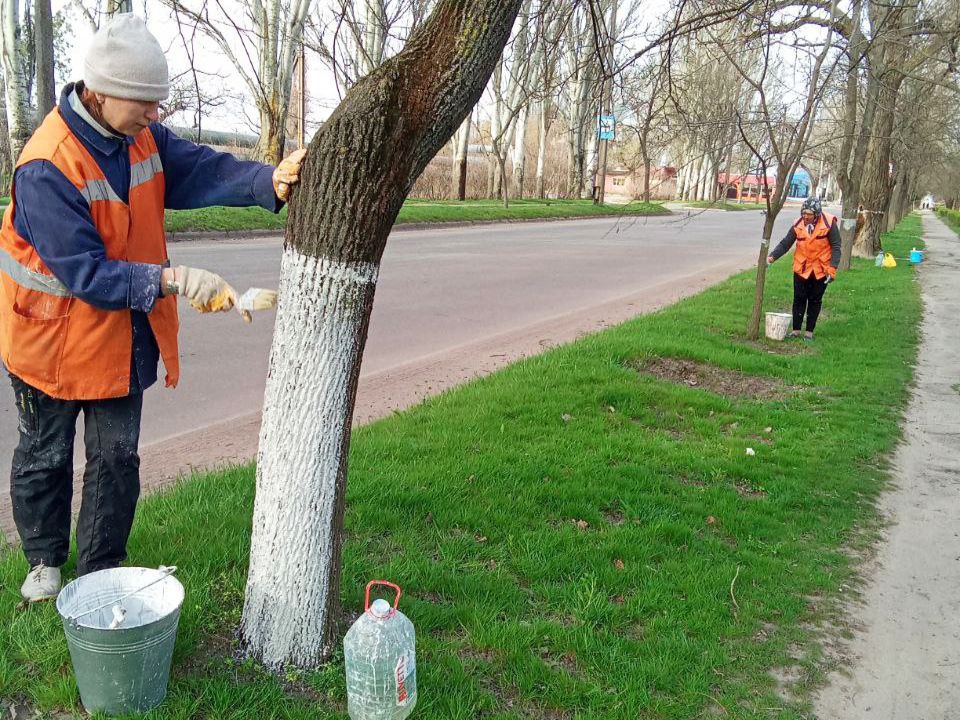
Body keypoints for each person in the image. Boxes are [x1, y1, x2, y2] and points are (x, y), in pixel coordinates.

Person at [0, 14, 306, 601]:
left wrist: (268, 181)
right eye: (146, 102)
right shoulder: (46, 165)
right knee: (45, 456)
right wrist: (174, 279)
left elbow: (198, 168)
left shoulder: (140, 136)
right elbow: (85, 272)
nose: (155, 115)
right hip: (45, 342)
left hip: (116, 337)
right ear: (103, 91)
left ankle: (101, 573)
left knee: (117, 460)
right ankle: (44, 564)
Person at [767, 197, 840, 341]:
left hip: (820, 269)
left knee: (815, 300)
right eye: (804, 213)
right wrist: (772, 257)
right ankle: (795, 331)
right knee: (799, 299)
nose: (806, 216)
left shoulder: (829, 223)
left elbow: (836, 246)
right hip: (802, 268)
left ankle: (809, 333)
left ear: (817, 214)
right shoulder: (798, 224)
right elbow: (786, 243)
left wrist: (833, 268)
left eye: (809, 214)